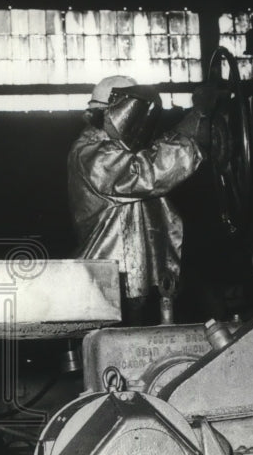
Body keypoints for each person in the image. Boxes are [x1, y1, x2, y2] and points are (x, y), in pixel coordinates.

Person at [68, 75, 215, 324]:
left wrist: (193, 120)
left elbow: (156, 151)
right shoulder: (91, 154)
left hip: (132, 280)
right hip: (109, 283)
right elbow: (147, 172)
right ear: (112, 112)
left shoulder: (116, 148)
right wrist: (190, 142)